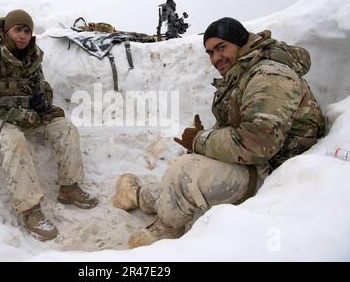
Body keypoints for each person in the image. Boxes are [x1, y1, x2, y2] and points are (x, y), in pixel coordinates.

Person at [112, 17, 325, 248]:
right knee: (188, 163)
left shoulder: (269, 75)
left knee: (186, 171)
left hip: (278, 174)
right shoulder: (242, 73)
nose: (215, 58)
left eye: (221, 48)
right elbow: (238, 130)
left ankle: (166, 228)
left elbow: (258, 143)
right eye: (210, 52)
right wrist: (204, 141)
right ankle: (141, 196)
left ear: (240, 42)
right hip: (260, 163)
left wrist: (201, 141)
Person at [0, 9, 98, 241]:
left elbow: (41, 86)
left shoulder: (32, 57)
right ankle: (29, 210)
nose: (23, 35)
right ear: (6, 31)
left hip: (27, 113)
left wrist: (43, 102)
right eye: (18, 29)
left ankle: (69, 188)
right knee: (14, 140)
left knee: (65, 127)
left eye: (27, 31)